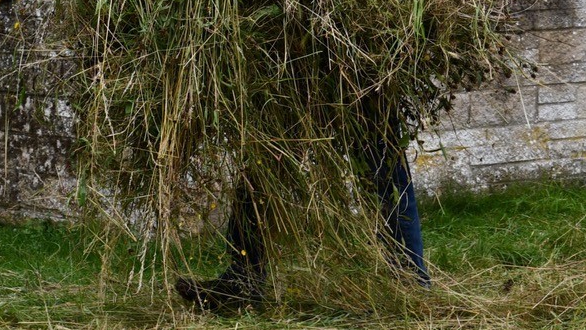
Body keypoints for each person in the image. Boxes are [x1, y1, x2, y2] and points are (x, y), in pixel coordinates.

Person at [175, 98, 429, 313]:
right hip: (286, 67)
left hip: (357, 73)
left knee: (381, 163)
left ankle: (412, 283)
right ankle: (242, 282)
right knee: (266, 162)